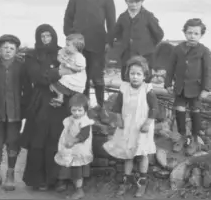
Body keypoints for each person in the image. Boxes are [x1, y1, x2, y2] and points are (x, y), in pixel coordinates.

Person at [20, 24, 75, 192]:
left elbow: (73, 74)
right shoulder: (32, 55)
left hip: (61, 100)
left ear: (54, 36)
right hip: (40, 101)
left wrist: (62, 90)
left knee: (56, 139)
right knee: (38, 140)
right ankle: (37, 179)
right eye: (42, 36)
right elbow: (38, 77)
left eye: (48, 36)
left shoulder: (62, 53)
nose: (45, 40)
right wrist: (58, 72)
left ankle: (56, 179)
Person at [0, 34, 32, 191]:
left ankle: (10, 175)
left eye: (11, 48)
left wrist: (23, 109)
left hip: (14, 113)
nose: (8, 51)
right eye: (4, 48)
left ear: (16, 50)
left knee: (12, 142)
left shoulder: (21, 67)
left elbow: (27, 91)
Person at [103, 56, 158, 198]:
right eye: (132, 73)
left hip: (142, 127)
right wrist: (118, 118)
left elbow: (154, 108)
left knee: (143, 153)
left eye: (139, 74)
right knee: (128, 154)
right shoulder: (124, 88)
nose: (135, 77)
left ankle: (142, 182)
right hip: (127, 125)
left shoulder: (147, 89)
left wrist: (148, 122)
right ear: (128, 74)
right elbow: (118, 105)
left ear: (145, 76)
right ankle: (126, 181)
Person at [63, 0, 116, 109]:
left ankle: (101, 107)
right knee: (82, 77)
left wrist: (109, 41)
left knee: (98, 77)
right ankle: (83, 107)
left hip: (98, 43)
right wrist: (70, 36)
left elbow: (112, 22)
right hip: (79, 44)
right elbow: (68, 17)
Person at [164, 18, 211, 155]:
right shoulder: (177, 49)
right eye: (189, 32)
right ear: (185, 33)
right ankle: (183, 136)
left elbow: (208, 71)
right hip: (180, 88)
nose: (192, 36)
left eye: (196, 33)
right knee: (180, 111)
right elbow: (170, 67)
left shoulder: (204, 51)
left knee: (195, 112)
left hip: (196, 89)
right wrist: (167, 83)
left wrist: (206, 89)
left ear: (201, 35)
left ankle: (195, 139)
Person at [109, 0, 164, 82]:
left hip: (145, 56)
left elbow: (159, 34)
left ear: (142, 1)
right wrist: (121, 46)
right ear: (125, 0)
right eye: (130, 1)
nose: (133, 5)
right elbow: (116, 34)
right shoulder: (123, 17)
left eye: (137, 2)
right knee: (126, 80)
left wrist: (147, 46)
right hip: (127, 56)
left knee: (145, 81)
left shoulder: (148, 17)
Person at [54, 93, 94, 200]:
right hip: (70, 148)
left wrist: (73, 141)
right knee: (70, 167)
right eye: (74, 110)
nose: (76, 113)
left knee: (77, 169)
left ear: (85, 110)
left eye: (79, 110)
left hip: (79, 150)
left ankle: (79, 190)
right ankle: (71, 184)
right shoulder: (69, 119)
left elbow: (84, 135)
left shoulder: (85, 122)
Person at [49, 33, 87, 105]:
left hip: (74, 77)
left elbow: (80, 68)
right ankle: (60, 97)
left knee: (59, 84)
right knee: (53, 85)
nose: (66, 46)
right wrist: (62, 60)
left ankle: (67, 100)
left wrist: (69, 66)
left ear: (76, 47)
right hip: (66, 74)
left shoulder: (79, 57)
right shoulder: (65, 51)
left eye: (68, 45)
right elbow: (59, 57)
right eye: (66, 44)